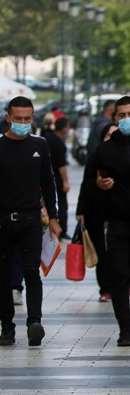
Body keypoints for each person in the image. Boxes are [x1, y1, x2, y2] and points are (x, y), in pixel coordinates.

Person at [0, 96, 61, 348]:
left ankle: (35, 321)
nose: (24, 123)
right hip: (0, 221)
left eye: (28, 118)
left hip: (31, 220)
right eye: (19, 118)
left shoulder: (40, 145)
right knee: (2, 276)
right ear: (8, 118)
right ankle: (7, 328)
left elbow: (49, 183)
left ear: (32, 117)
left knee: (32, 273)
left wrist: (54, 217)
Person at [82, 97, 130, 345]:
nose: (125, 119)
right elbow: (88, 181)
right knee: (118, 274)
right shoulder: (105, 150)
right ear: (114, 118)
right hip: (117, 222)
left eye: (129, 114)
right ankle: (125, 329)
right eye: (121, 115)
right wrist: (98, 185)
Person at [77, 122, 117, 303]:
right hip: (98, 212)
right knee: (102, 250)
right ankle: (106, 288)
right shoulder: (97, 156)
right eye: (109, 135)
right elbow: (86, 184)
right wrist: (81, 210)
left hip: (120, 212)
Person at [45, 116, 71, 239]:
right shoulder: (58, 142)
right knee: (62, 204)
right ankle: (62, 230)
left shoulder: (48, 138)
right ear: (64, 128)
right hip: (56, 178)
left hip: (48, 177)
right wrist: (65, 181)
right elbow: (61, 165)